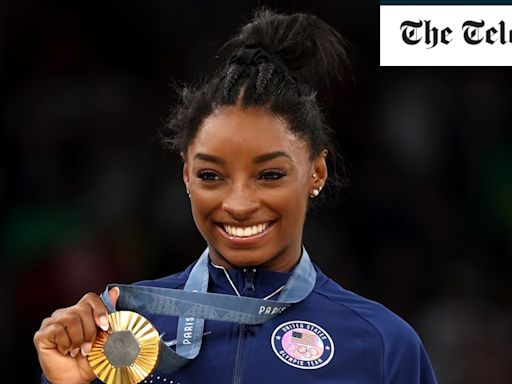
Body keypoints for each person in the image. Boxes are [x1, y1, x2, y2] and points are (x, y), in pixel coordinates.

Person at [33, 9, 438, 384]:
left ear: (316, 172)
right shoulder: (118, 329)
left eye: (270, 175)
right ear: (186, 176)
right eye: (211, 175)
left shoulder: (384, 345)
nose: (239, 204)